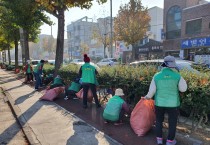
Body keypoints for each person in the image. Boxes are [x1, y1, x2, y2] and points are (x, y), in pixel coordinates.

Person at [144, 55, 187, 145]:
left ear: (164, 64)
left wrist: (146, 97)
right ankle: (169, 142)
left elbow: (151, 91)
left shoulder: (157, 76)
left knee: (159, 121)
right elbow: (183, 89)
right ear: (172, 65)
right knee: (172, 123)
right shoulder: (177, 75)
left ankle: (159, 140)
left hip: (159, 103)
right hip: (173, 104)